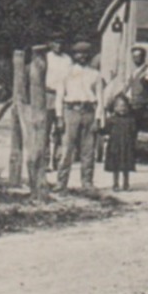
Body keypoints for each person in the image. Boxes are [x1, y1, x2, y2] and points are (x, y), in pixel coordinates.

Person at [55, 40, 104, 190]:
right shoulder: (66, 73)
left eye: (84, 53)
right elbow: (59, 96)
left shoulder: (95, 74)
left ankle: (87, 182)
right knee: (67, 149)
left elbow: (100, 99)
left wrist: (98, 119)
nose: (82, 56)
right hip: (71, 111)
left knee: (88, 150)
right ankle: (61, 182)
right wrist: (59, 117)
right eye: (78, 53)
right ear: (74, 55)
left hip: (89, 111)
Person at [43, 36, 72, 169]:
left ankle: (57, 159)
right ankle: (45, 160)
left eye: (61, 43)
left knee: (61, 129)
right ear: (50, 44)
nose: (58, 46)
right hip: (49, 95)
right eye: (55, 43)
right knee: (46, 129)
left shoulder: (67, 60)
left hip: (64, 96)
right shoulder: (46, 58)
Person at [102, 93, 138, 192]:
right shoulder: (111, 120)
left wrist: (133, 143)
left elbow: (134, 132)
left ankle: (126, 183)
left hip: (127, 145)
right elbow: (105, 130)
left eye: (124, 106)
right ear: (114, 108)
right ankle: (115, 184)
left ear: (128, 107)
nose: (122, 108)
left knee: (126, 166)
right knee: (115, 166)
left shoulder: (131, 120)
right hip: (115, 145)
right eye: (118, 106)